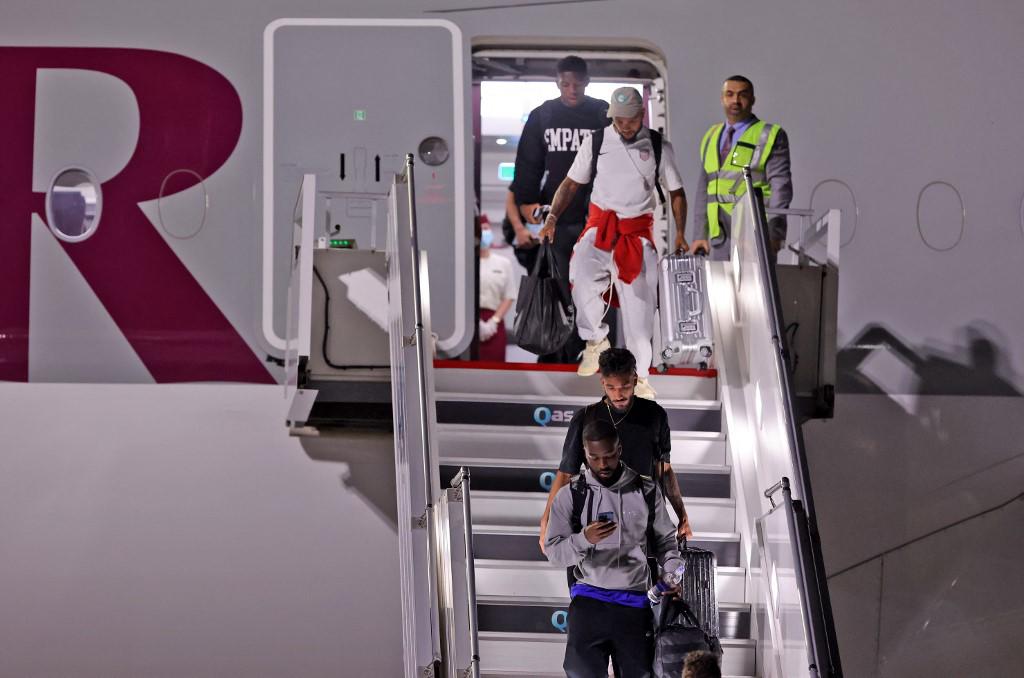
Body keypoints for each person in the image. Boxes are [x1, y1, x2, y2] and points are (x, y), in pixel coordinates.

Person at [538, 87, 689, 396]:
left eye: (630, 120)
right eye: (618, 120)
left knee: (639, 318)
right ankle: (595, 340)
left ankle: (641, 377)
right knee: (580, 280)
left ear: (642, 115)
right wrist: (552, 216)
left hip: (636, 236)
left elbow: (677, 193)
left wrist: (680, 233)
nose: (624, 126)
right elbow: (570, 184)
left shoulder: (658, 146)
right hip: (599, 229)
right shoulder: (596, 141)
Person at [545, 418, 684, 678]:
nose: (602, 464)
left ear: (619, 450)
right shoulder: (571, 494)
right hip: (589, 599)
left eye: (608, 456)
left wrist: (673, 570)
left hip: (635, 602)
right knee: (580, 671)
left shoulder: (646, 490)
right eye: (594, 457)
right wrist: (584, 539)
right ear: (585, 453)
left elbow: (666, 542)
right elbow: (553, 553)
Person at [539, 348, 692, 553]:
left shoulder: (655, 415)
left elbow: (664, 470)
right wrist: (547, 520)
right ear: (602, 382)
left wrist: (682, 515)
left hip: (644, 521)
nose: (618, 395)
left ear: (635, 379)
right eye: (611, 387)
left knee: (644, 572)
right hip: (598, 520)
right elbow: (566, 474)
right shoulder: (585, 418)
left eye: (624, 387)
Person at [511, 55, 609, 363]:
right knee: (558, 287)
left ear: (587, 82)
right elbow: (528, 164)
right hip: (558, 220)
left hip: (597, 217)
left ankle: (594, 353)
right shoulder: (544, 115)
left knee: (595, 290)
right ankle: (556, 355)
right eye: (566, 84)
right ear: (557, 83)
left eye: (577, 84)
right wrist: (527, 202)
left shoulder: (602, 114)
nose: (572, 90)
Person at [691, 75, 792, 262]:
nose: (735, 100)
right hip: (719, 237)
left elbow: (780, 187)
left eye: (742, 95)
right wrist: (699, 234)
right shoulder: (711, 136)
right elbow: (704, 189)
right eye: (729, 94)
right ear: (722, 98)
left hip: (754, 235)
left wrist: (774, 233)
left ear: (753, 100)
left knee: (755, 282)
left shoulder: (769, 135)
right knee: (719, 282)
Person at [477, 216, 517, 361]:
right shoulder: (465, 263)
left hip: (495, 322)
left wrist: (493, 322)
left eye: (486, 229)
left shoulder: (503, 263)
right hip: (470, 324)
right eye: (479, 230)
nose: (483, 233)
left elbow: (509, 295)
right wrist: (475, 322)